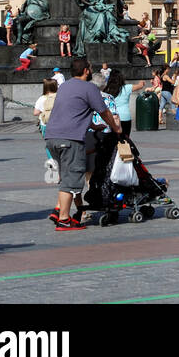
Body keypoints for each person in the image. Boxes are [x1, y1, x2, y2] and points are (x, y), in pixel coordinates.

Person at [44, 56, 122, 230]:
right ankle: (64, 219)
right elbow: (104, 112)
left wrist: (93, 125)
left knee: (66, 176)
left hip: (51, 138)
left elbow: (72, 111)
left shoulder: (64, 86)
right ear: (86, 70)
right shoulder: (89, 88)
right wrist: (115, 128)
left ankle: (60, 212)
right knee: (71, 180)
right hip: (70, 139)